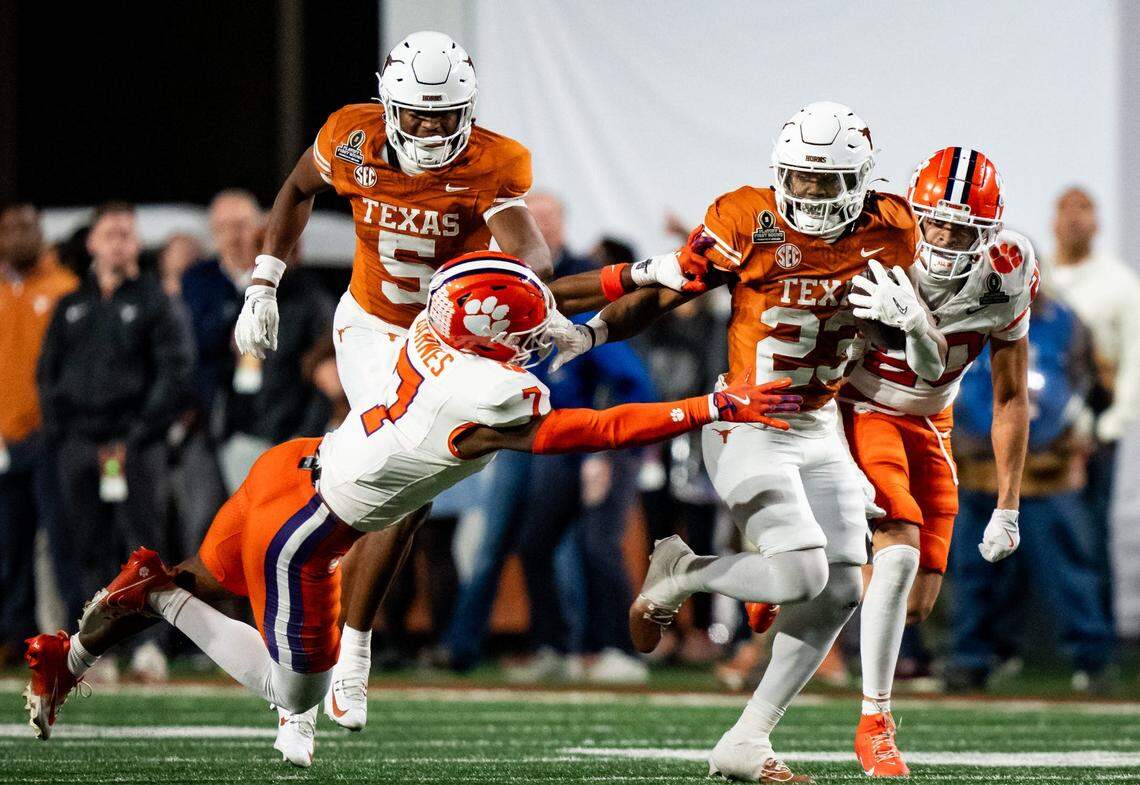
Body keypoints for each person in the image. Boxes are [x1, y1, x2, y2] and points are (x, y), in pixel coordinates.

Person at [23, 252, 800, 769]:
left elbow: (552, 301)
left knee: (203, 573)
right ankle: (156, 594)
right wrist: (709, 404)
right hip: (306, 533)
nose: (540, 333)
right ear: (493, 338)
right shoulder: (494, 392)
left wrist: (673, 272)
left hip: (289, 465)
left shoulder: (437, 328)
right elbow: (593, 428)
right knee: (292, 692)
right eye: (526, 330)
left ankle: (71, 655)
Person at [548, 102, 921, 782]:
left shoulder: (893, 229)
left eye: (826, 180)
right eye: (799, 177)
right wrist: (595, 330)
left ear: (861, 181)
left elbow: (906, 348)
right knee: (804, 573)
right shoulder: (746, 218)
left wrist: (910, 321)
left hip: (821, 424)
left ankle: (747, 738)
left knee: (841, 587)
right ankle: (683, 571)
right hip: (747, 420)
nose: (809, 192)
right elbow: (667, 289)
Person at [234, 30, 552, 746]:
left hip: (440, 342)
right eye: (419, 116)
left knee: (413, 488)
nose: (433, 131)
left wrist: (529, 296)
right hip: (372, 328)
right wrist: (264, 282)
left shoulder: (493, 161)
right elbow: (297, 188)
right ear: (389, 106)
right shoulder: (351, 137)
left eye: (446, 117)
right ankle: (342, 656)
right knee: (405, 468)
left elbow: (529, 247)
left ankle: (347, 645)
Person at [832, 148, 1035, 776]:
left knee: (913, 603)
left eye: (962, 229)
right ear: (917, 215)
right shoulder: (876, 244)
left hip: (931, 419)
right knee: (896, 550)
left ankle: (788, 579)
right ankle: (876, 723)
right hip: (862, 408)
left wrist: (1008, 505)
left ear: (991, 232)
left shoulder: (1008, 271)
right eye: (937, 224)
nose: (945, 240)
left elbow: (1010, 395)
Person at [35, 202, 193, 681]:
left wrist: (139, 431)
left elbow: (175, 369)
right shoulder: (71, 304)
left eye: (127, 234)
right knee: (86, 546)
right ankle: (92, 648)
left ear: (136, 243)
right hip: (81, 444)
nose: (119, 243)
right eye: (110, 234)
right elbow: (47, 372)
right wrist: (63, 433)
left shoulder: (154, 301)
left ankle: (149, 647)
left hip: (134, 444)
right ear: (92, 242)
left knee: (142, 548)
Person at [948, 290, 1112, 692]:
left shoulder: (1065, 320)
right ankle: (970, 659)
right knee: (973, 573)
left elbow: (1088, 383)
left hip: (1045, 469)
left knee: (1068, 571)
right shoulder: (959, 314)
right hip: (978, 468)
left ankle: (1092, 659)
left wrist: (1076, 433)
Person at [1044, 188, 1140, 632]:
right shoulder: (1040, 277)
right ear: (1053, 221)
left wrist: (1112, 424)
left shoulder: (1119, 283)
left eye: (1084, 210)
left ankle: (1098, 637)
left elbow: (1133, 357)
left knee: (1091, 530)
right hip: (1046, 425)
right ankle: (1047, 635)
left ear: (1097, 223)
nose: (1074, 220)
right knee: (1044, 529)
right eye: (1066, 210)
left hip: (1096, 423)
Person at [0, 204, 79, 663]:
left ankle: (76, 635)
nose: (17, 235)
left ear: (41, 232)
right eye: (9, 227)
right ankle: (15, 635)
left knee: (62, 540)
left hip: (50, 437)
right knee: (9, 542)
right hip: (5, 439)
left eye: (25, 227)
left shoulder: (63, 287)